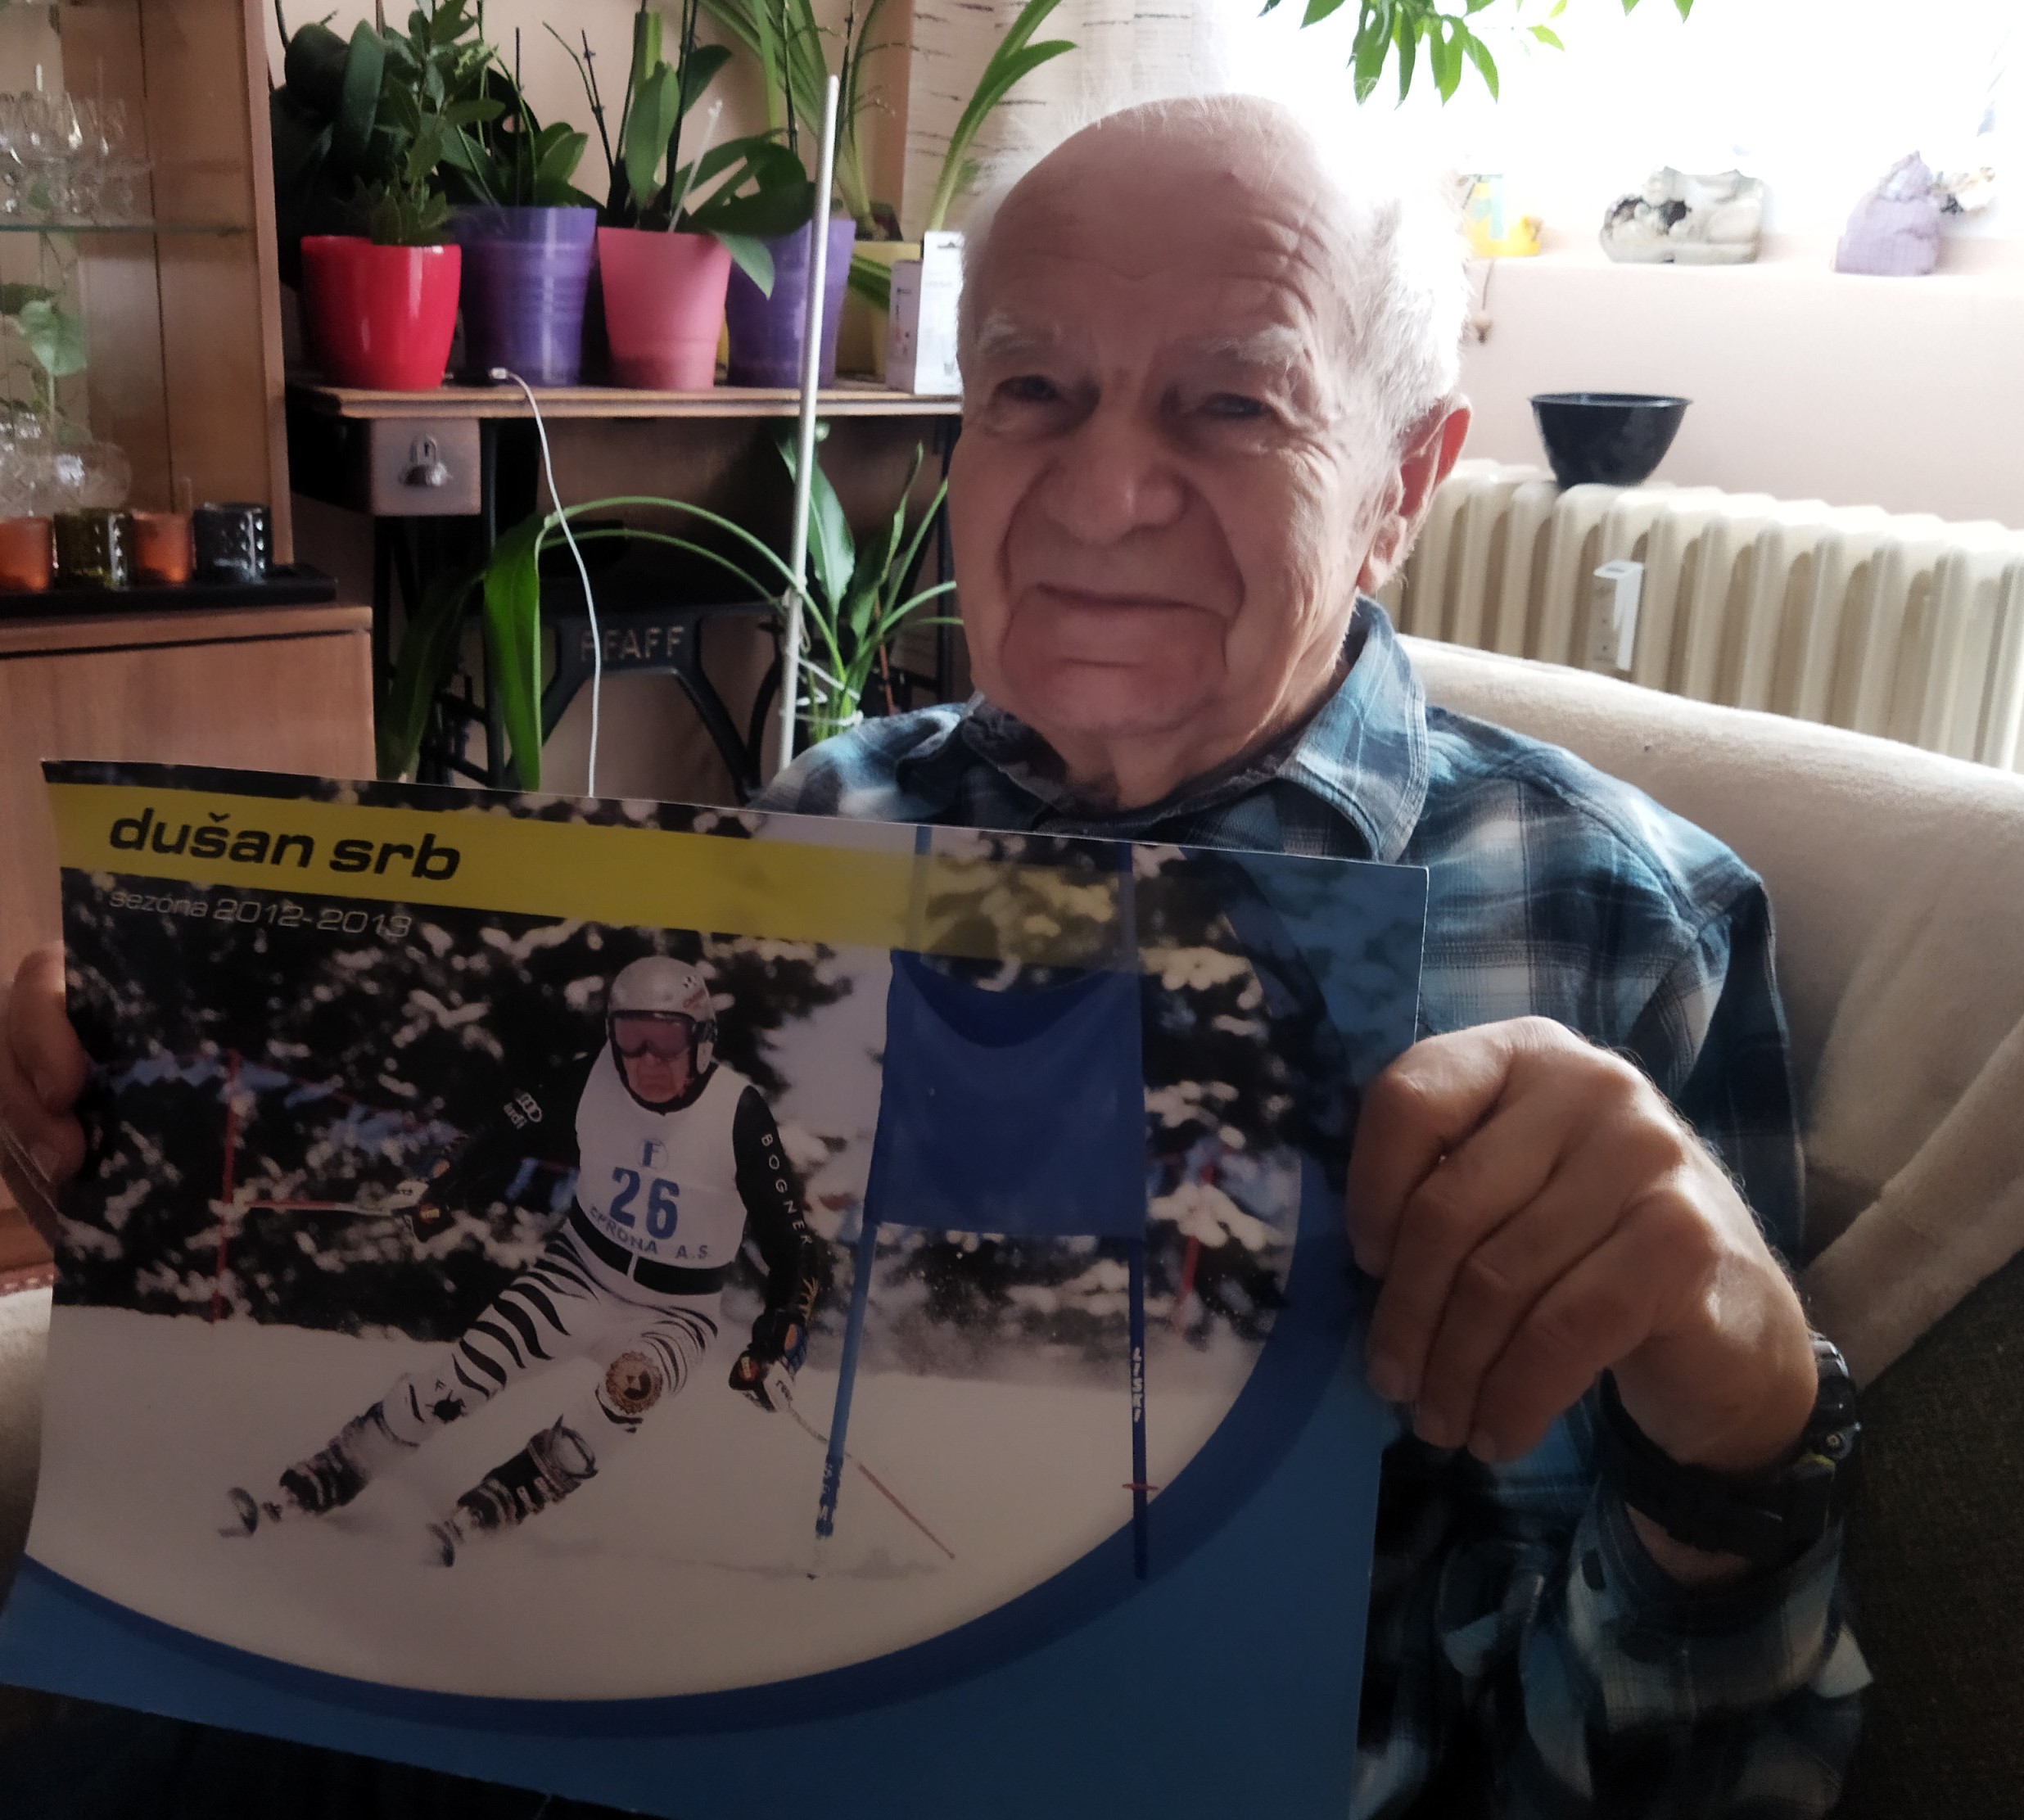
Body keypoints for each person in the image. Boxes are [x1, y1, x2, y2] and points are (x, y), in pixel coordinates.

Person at [2, 94, 1864, 1817]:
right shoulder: (839, 814)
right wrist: (162, 1155)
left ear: (1404, 483)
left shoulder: (1612, 918)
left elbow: (1683, 1779)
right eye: (1030, 388)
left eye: (1232, 405)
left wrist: (1737, 1402)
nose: (1102, 491)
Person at [224, 956, 829, 1565]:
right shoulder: (592, 1077)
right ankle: (336, 1468)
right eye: (630, 1037)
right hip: (579, 1275)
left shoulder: (737, 1113)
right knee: (462, 1376)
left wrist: (780, 1344)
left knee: (632, 1386)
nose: (647, 1058)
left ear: (702, 1039)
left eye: (666, 1039)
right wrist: (439, 1183)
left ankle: (508, 1497)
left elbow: (795, 1245)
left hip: (677, 1311)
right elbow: (500, 1132)